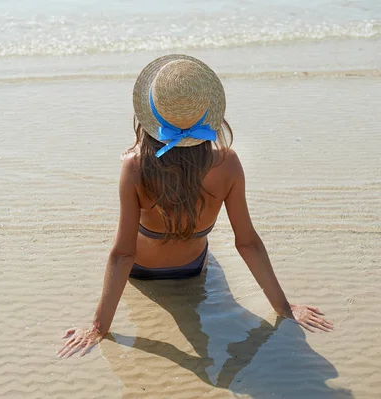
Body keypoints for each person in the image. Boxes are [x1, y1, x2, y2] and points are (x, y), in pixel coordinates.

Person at [57, 54, 333, 359]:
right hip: (191, 270)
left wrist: (99, 327)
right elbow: (248, 243)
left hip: (140, 272)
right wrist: (285, 307)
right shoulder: (228, 163)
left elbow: (123, 254)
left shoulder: (134, 166)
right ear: (208, 114)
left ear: (149, 114)